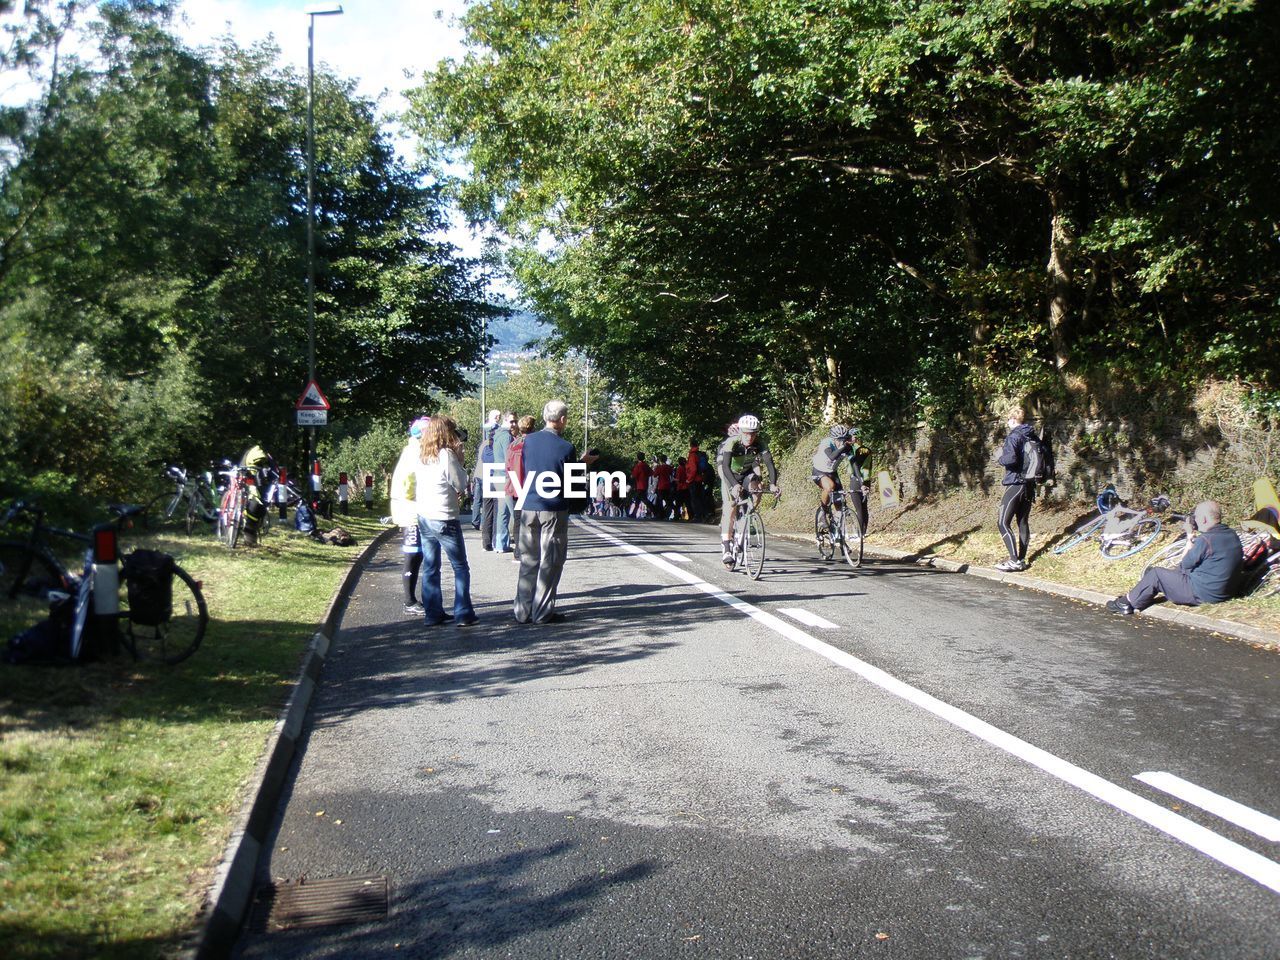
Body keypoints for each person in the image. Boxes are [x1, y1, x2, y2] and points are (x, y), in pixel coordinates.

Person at [514, 399, 598, 624]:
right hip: (553, 508)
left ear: (544, 417)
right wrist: (584, 464)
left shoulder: (527, 441)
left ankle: (522, 611)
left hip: (528, 505)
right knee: (550, 560)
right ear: (562, 420)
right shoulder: (566, 447)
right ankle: (542, 612)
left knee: (528, 559)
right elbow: (570, 481)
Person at [1107, 501, 1244, 615]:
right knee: (1165, 573)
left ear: (1203, 519)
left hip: (1203, 594)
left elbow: (1185, 564)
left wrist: (1189, 537)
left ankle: (1126, 603)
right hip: (1224, 591)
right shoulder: (1232, 535)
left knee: (1156, 574)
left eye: (1196, 517)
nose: (1195, 520)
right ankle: (1144, 590)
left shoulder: (1206, 540)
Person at [415, 417, 478, 627]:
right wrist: (460, 460)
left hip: (424, 515)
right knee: (460, 566)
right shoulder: (446, 455)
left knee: (431, 566)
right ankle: (464, 613)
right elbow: (461, 483)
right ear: (446, 432)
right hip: (444, 516)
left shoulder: (423, 455)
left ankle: (432, 614)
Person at [994, 406, 1052, 572]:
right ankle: (1022, 559)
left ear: (1012, 420)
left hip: (1015, 483)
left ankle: (1014, 560)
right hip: (1029, 484)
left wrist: (1000, 458)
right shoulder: (1031, 435)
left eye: (1008, 420)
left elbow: (1010, 459)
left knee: (1002, 522)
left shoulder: (1014, 436)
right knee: (1022, 522)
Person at [717, 414, 779, 567]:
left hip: (745, 473)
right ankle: (726, 548)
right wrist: (734, 485)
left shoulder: (760, 444)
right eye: (746, 433)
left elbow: (770, 464)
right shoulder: (732, 442)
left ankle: (747, 517)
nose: (749, 437)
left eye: (753, 433)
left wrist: (773, 484)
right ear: (741, 432)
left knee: (756, 487)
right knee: (730, 507)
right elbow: (724, 467)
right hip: (729, 474)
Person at [391, 416, 431, 615]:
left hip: (410, 508)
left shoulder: (412, 449)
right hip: (411, 510)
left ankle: (412, 600)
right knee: (413, 553)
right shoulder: (415, 452)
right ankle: (409, 601)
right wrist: (417, 499)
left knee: (417, 554)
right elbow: (409, 482)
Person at [812, 424, 872, 536]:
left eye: (843, 439)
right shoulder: (827, 442)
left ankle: (838, 535)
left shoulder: (847, 446)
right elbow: (831, 456)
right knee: (830, 487)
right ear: (834, 439)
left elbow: (854, 464)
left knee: (840, 505)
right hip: (819, 471)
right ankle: (823, 511)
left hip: (832, 473)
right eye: (839, 440)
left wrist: (862, 483)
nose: (841, 442)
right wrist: (844, 446)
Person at [504, 414, 537, 565]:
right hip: (530, 486)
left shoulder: (513, 444)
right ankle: (531, 550)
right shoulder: (535, 444)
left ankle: (518, 552)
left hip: (516, 486)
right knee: (533, 520)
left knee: (518, 519)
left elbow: (508, 466)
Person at [472, 410, 500, 547]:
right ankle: (495, 540)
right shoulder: (494, 446)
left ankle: (485, 539)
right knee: (495, 509)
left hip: (481, 476)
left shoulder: (483, 445)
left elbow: (481, 459)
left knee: (482, 504)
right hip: (492, 477)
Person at [492, 411, 517, 553]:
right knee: (514, 512)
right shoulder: (507, 436)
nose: (514, 424)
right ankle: (519, 544)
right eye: (511, 421)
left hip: (498, 475)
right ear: (505, 420)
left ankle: (501, 544)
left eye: (515, 421)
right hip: (505, 477)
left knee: (503, 512)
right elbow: (510, 459)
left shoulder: (497, 435)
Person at [628, 453, 651, 518]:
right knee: (640, 500)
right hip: (645, 485)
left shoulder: (638, 466)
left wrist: (631, 476)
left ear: (637, 458)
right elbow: (651, 473)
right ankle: (634, 513)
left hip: (639, 485)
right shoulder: (646, 465)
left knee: (642, 500)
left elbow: (634, 475)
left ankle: (655, 510)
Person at [652, 455, 674, 519]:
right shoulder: (669, 467)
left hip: (661, 486)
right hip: (668, 486)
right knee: (668, 500)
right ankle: (675, 510)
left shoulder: (659, 468)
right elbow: (671, 475)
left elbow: (655, 475)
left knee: (659, 501)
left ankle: (661, 514)